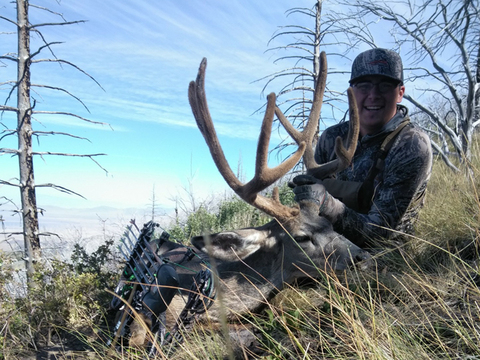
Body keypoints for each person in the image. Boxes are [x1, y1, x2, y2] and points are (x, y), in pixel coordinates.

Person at [293, 48, 433, 248]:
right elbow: (310, 214)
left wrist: (325, 201)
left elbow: (380, 233)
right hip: (327, 242)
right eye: (364, 86)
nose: (373, 95)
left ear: (400, 93)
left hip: (386, 256)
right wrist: (306, 192)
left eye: (384, 86)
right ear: (351, 91)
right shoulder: (332, 137)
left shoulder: (411, 145)